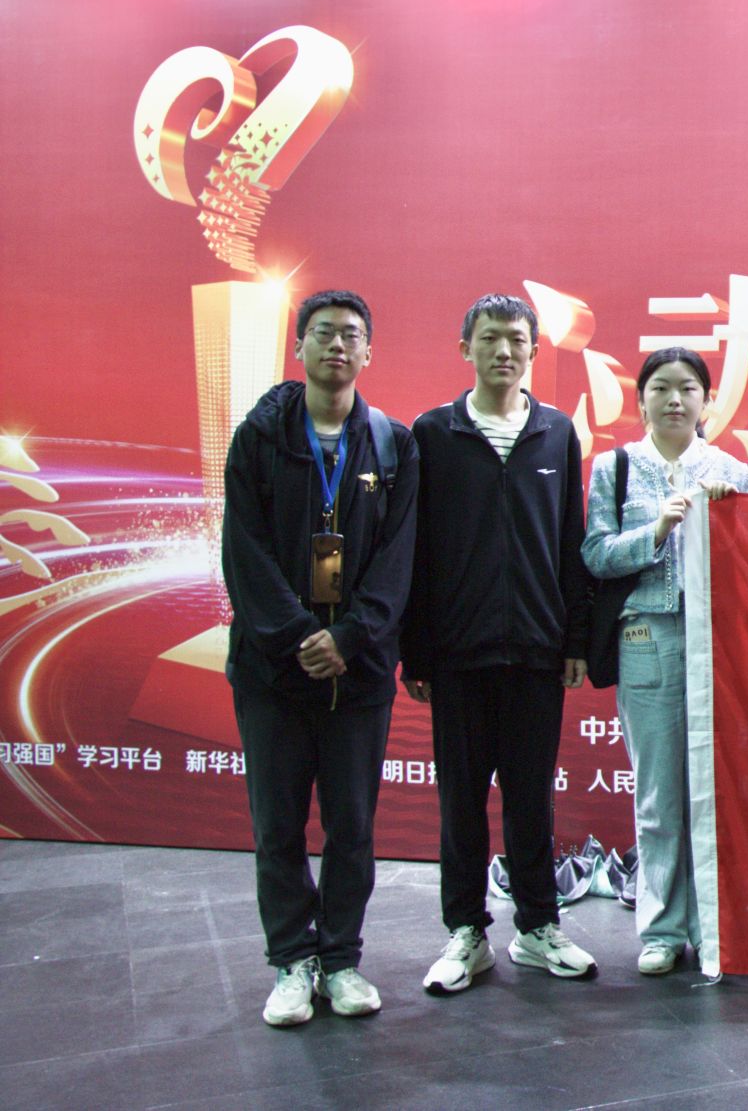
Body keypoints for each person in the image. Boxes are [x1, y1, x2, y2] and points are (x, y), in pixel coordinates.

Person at [222, 290, 417, 1027]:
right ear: (298, 346)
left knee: (352, 826)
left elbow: (398, 560)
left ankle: (340, 959)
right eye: (324, 333)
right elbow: (244, 551)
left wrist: (350, 637)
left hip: (357, 674)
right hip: (273, 671)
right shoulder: (259, 439)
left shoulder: (394, 445)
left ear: (369, 352)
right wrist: (300, 635)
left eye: (352, 335)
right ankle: (291, 961)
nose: (338, 345)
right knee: (277, 827)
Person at [403, 293, 597, 994]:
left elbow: (570, 540)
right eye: (490, 338)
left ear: (534, 351)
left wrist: (574, 637)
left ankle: (538, 927)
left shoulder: (555, 432)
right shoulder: (433, 433)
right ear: (466, 348)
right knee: (460, 800)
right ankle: (466, 931)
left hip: (537, 650)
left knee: (530, 798)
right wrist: (416, 650)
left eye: (516, 339)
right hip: (458, 652)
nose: (504, 351)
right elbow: (416, 549)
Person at [581, 349, 748, 977]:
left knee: (713, 790)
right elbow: (595, 555)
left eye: (687, 388)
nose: (674, 400)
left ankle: (712, 927)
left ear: (707, 400)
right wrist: (654, 531)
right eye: (660, 388)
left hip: (719, 644)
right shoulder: (616, 467)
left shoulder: (733, 469)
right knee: (657, 794)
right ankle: (661, 929)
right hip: (645, 637)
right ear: (641, 398)